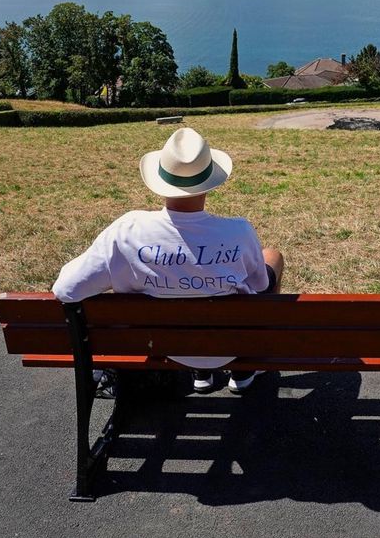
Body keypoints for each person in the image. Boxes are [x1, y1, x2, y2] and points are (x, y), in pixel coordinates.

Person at [52, 126, 284, 394]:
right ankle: (244, 368)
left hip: (161, 346)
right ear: (210, 181)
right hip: (229, 346)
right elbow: (259, 286)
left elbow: (66, 290)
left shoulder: (126, 231)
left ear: (160, 179)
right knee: (273, 257)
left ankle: (201, 373)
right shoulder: (239, 232)